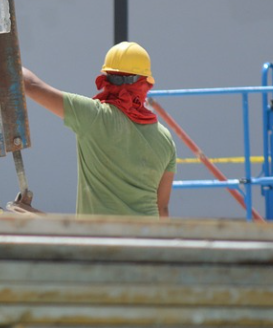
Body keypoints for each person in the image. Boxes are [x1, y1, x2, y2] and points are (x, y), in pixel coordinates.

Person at [21, 41, 176, 217]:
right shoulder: (165, 139)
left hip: (100, 233)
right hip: (145, 233)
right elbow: (162, 208)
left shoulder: (93, 116)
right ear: (145, 83)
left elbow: (29, 84)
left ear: (106, 79)